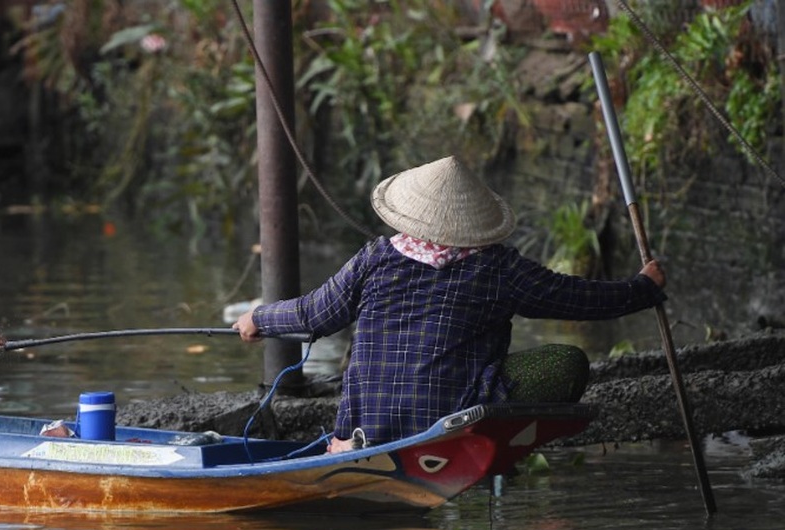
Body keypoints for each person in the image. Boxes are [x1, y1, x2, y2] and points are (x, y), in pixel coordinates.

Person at [233, 155, 666, 453]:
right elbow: (577, 299)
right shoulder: (499, 268)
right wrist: (642, 288)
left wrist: (258, 318)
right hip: (450, 426)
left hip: (364, 430)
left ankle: (348, 444)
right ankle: (490, 450)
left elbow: (313, 314)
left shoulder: (374, 258)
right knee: (566, 362)